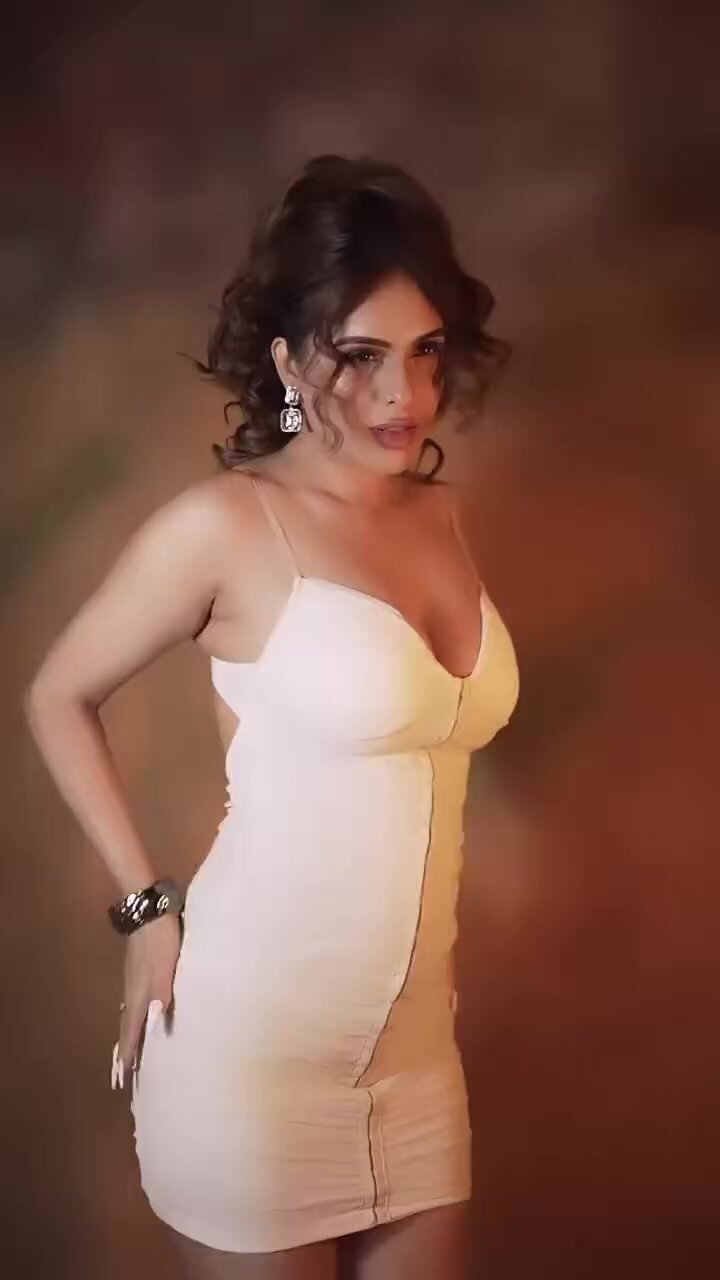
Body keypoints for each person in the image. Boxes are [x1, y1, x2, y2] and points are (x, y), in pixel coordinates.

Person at [25, 154, 520, 1280]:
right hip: (251, 1064)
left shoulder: (440, 519)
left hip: (416, 1068)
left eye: (426, 351)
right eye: (362, 356)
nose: (403, 394)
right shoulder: (227, 525)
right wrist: (147, 910)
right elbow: (57, 693)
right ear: (292, 361)